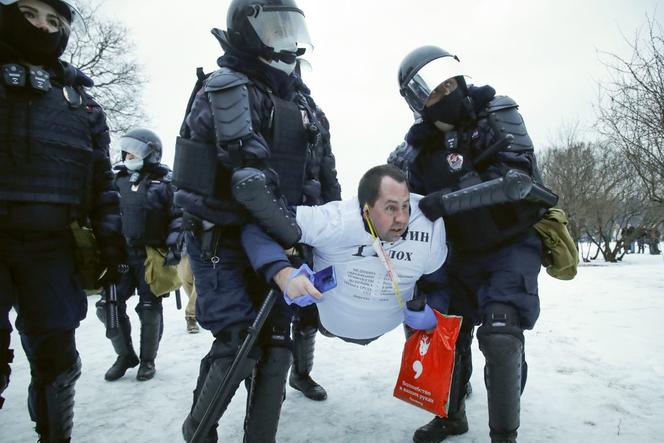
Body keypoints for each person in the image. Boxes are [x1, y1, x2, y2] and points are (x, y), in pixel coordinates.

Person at [172, 0, 341, 440]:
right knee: (237, 343)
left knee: (278, 346)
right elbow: (248, 178)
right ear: (247, 30)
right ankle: (198, 430)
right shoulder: (225, 89)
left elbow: (323, 175)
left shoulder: (306, 103)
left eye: (292, 27)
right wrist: (289, 233)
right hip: (222, 241)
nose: (286, 38)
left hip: (284, 238)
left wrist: (330, 230)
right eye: (274, 27)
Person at [389, 46, 550, 443]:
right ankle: (450, 414)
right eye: (434, 91)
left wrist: (450, 198)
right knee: (439, 329)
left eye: (449, 82)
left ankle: (504, 434)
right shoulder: (413, 152)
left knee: (500, 333)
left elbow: (518, 177)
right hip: (454, 253)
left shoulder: (497, 113)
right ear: (418, 102)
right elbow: (396, 201)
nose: (446, 93)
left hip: (509, 241)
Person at [0, 0, 126, 440]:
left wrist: (112, 241)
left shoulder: (82, 104)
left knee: (58, 362)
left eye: (54, 21)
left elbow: (102, 183)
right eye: (29, 13)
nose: (41, 26)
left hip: (51, 245)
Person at [239, 164, 449, 344]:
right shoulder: (336, 221)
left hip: (389, 321)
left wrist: (434, 311)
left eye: (405, 207)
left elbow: (438, 282)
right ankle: (301, 370)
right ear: (365, 210)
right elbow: (258, 227)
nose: (402, 219)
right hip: (330, 321)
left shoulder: (427, 226)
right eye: (390, 209)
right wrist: (283, 274)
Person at [95, 128, 182, 382]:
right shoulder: (115, 179)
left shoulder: (165, 181)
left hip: (150, 255)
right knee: (107, 306)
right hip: (119, 254)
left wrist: (175, 243)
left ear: (151, 153)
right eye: (126, 150)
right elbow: (102, 211)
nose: (128, 155)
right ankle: (125, 355)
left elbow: (179, 216)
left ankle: (147, 360)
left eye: (135, 150)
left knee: (149, 307)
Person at [177, 246, 200, 333]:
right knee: (185, 280)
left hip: (202, 246)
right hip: (181, 247)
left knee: (200, 281)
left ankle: (191, 315)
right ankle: (201, 305)